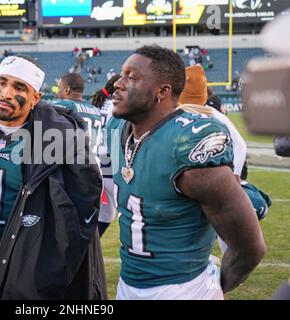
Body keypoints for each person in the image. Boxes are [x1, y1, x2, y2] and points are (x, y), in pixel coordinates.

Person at [0, 55, 106, 300]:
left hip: (26, 262)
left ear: (36, 98)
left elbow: (80, 208)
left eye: (19, 87)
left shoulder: (61, 139)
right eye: (1, 83)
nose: (6, 93)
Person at [107, 45, 265, 300]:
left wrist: (211, 289)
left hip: (184, 288)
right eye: (122, 74)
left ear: (163, 91)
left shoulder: (186, 144)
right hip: (128, 284)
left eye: (131, 77)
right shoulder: (116, 127)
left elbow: (249, 248)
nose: (118, 83)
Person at [177, 64, 271, 255]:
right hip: (196, 178)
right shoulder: (208, 115)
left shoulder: (211, 116)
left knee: (222, 224)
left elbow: (240, 145)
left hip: (210, 177)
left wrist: (233, 175)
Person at [91, 75, 121, 236]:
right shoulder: (117, 106)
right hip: (112, 164)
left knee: (106, 214)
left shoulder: (96, 104)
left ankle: (88, 253)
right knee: (127, 213)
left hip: (95, 162)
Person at [52, 73, 103, 158]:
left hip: (73, 165)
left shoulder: (63, 105)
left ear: (66, 90)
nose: (57, 90)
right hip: (94, 164)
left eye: (59, 87)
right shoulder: (95, 110)